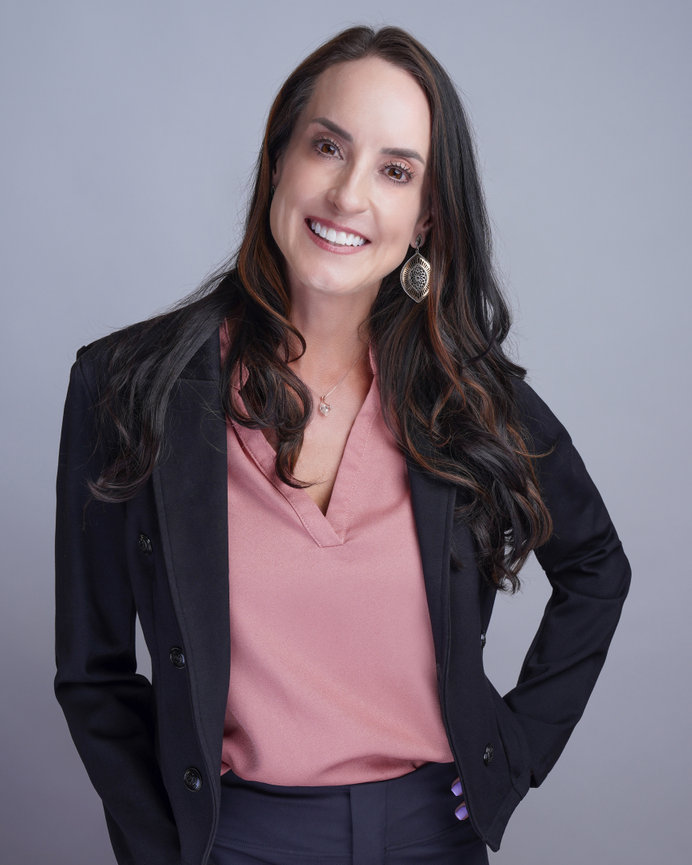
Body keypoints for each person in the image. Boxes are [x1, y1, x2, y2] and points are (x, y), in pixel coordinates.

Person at [54, 25, 630, 865]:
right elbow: (94, 674)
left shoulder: (468, 396)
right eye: (328, 146)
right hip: (235, 844)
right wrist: (163, 848)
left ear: (426, 215)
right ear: (280, 159)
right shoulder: (127, 385)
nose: (349, 194)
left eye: (396, 170)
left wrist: (519, 747)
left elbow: (597, 567)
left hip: (436, 838)